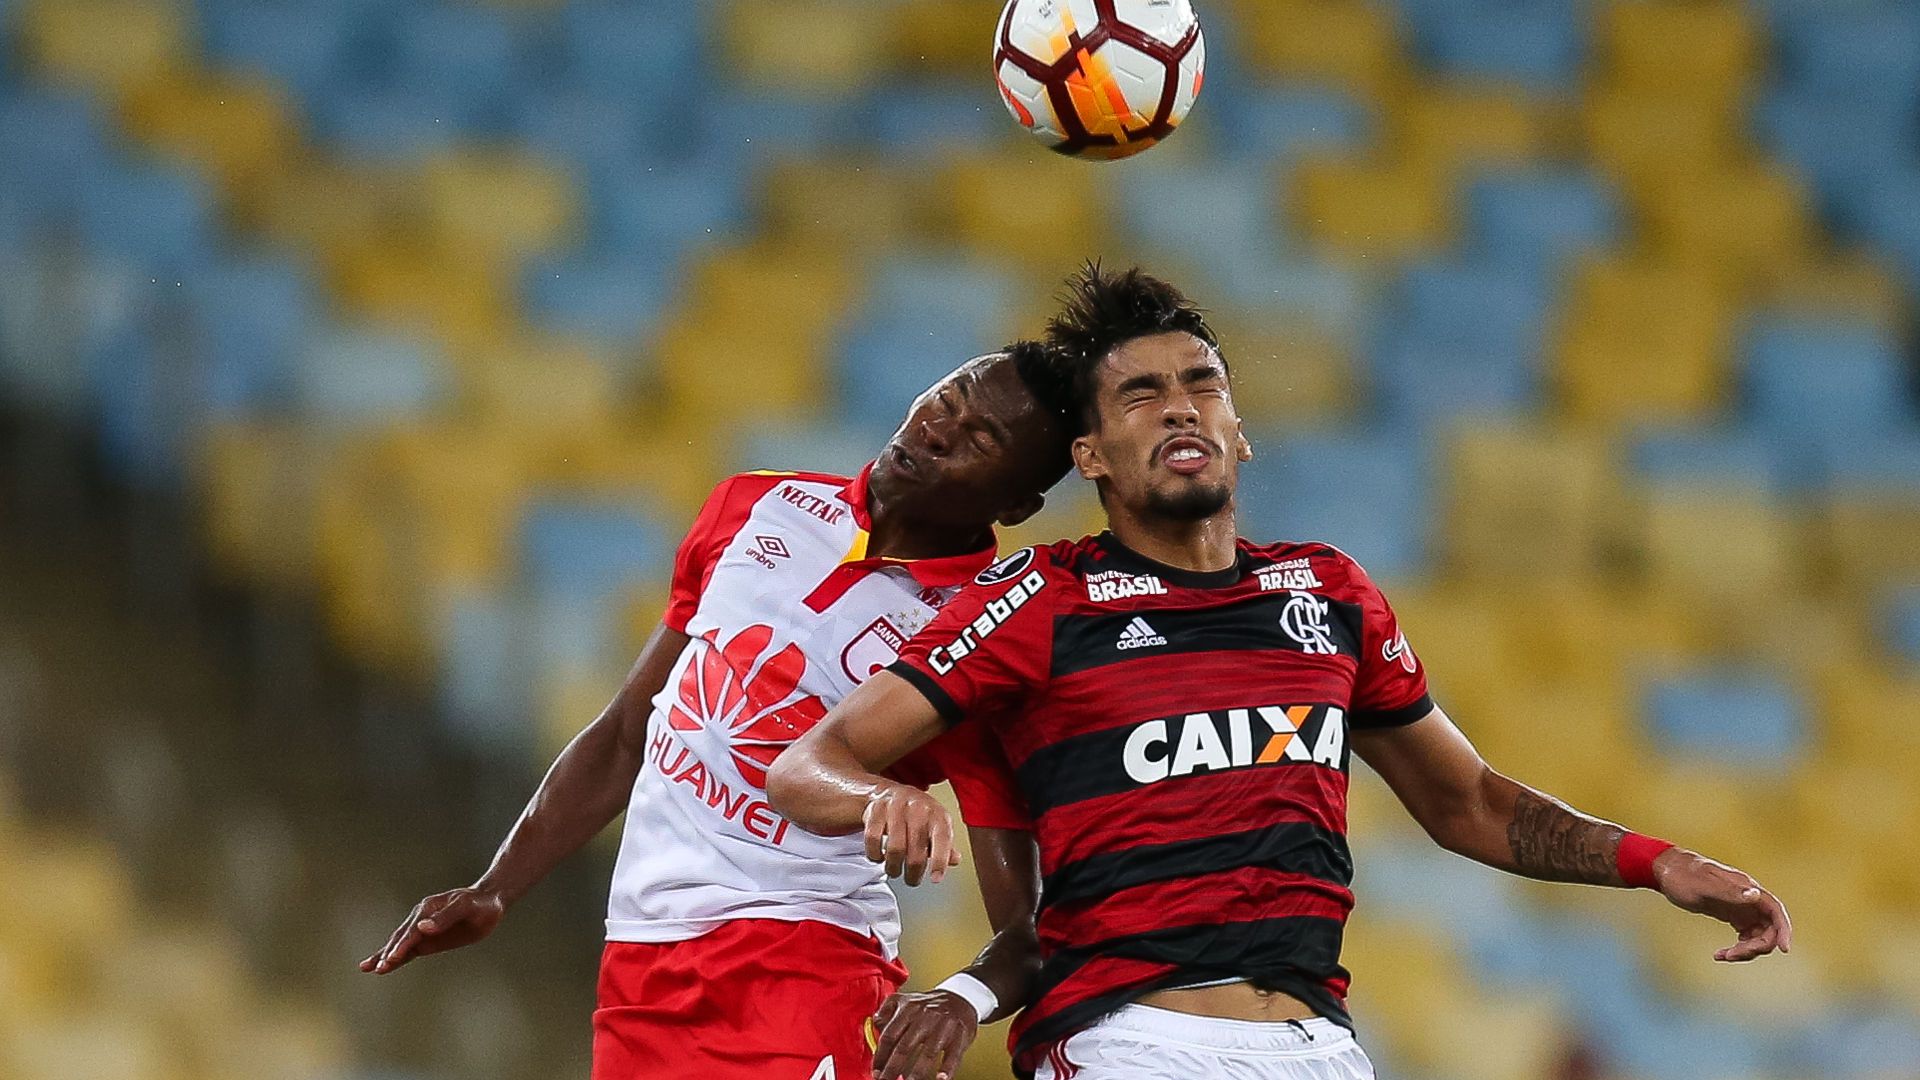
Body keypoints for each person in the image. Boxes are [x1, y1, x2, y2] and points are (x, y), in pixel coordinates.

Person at [767, 266, 1793, 1080]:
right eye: (1141, 394)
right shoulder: (1040, 598)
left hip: (1317, 1046)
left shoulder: (1330, 594)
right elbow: (811, 760)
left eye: (1200, 384)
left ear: (1238, 431)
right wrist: (871, 799)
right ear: (1091, 456)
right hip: (1129, 1043)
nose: (1179, 409)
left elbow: (1468, 802)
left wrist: (1657, 862)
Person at [361, 344, 1077, 1080]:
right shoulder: (755, 505)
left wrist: (959, 999)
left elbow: (1030, 929)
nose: (937, 428)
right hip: (641, 963)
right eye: (946, 397)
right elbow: (626, 733)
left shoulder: (979, 631)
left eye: (980, 437)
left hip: (802, 969)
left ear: (1016, 505)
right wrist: (495, 889)